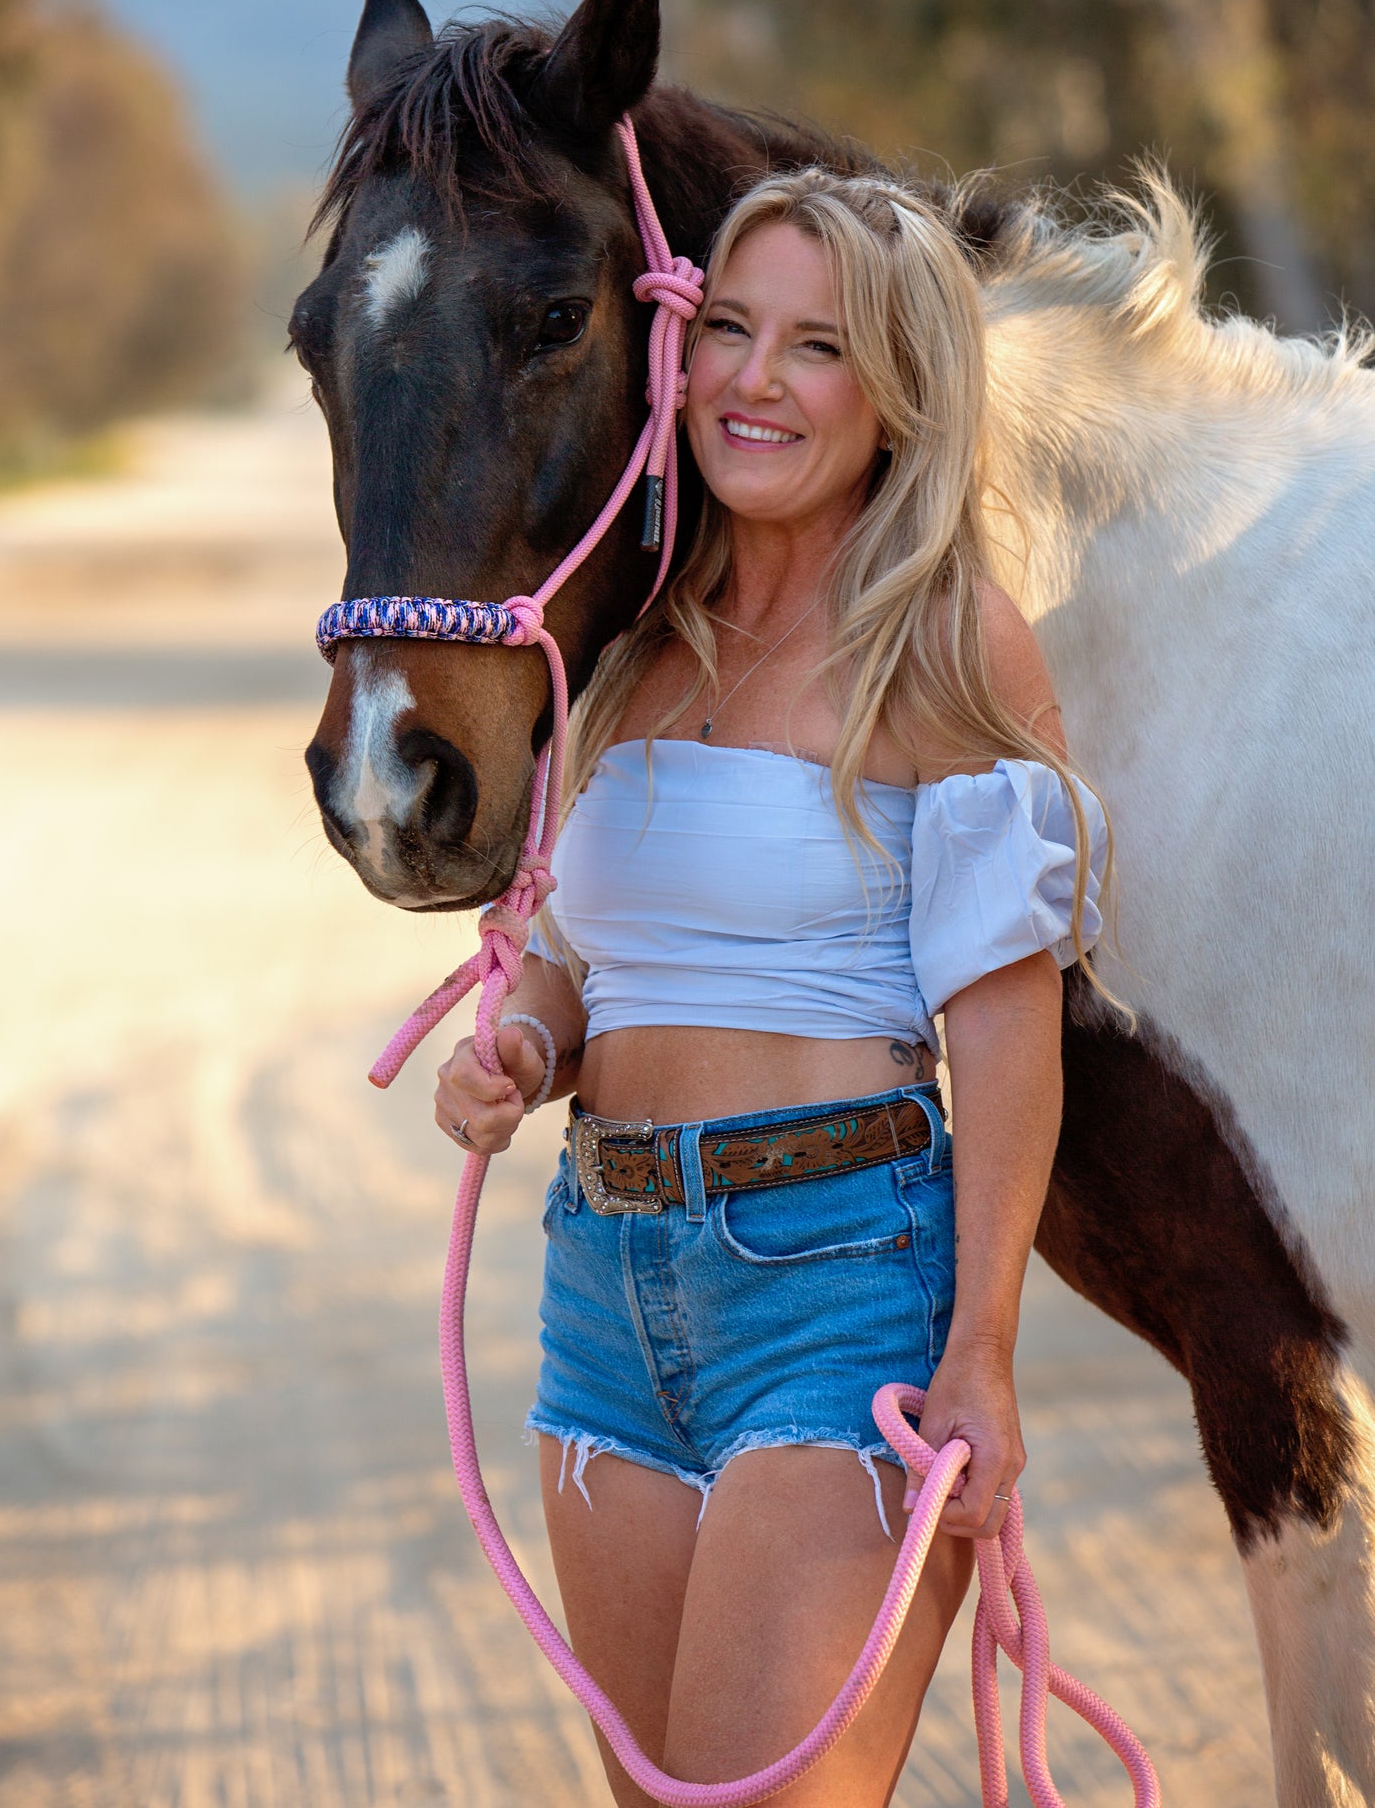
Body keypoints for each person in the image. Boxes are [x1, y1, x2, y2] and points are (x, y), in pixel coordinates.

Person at [434, 166, 1107, 1808]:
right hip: (601, 1294)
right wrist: (522, 1038)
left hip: (835, 1286)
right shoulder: (630, 647)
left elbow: (1005, 1025)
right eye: (725, 327)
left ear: (895, 396)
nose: (748, 378)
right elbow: (593, 953)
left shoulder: (945, 646)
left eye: (813, 347)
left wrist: (984, 1355)